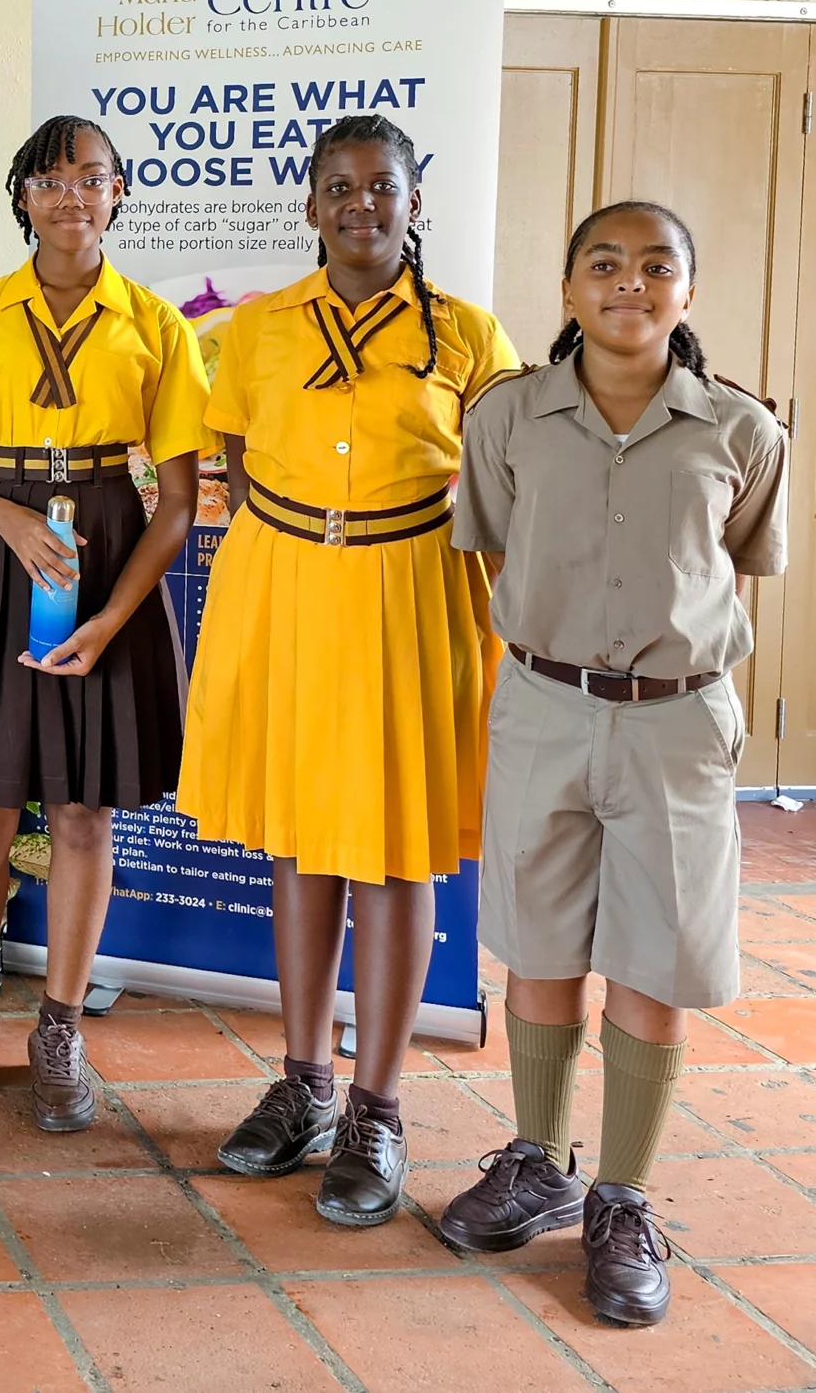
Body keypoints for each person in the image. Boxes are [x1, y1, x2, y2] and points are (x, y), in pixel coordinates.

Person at [439, 202, 784, 1327]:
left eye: (654, 265)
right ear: (567, 288)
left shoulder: (742, 430)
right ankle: (538, 1160)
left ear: (687, 291)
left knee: (655, 957)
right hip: (543, 705)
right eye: (604, 263)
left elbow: (735, 567)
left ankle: (623, 1199)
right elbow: (495, 545)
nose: (628, 282)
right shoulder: (507, 417)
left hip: (675, 725)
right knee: (539, 942)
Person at [177, 114, 522, 1228]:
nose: (360, 204)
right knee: (300, 838)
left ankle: (378, 1107)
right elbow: (235, 457)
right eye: (339, 186)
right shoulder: (260, 327)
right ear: (310, 204)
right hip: (285, 588)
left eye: (382, 185)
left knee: (395, 845)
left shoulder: (468, 334)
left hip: (413, 589)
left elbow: (507, 475)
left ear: (415, 202)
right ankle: (304, 1083)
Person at [0, 116, 207, 1127]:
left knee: (81, 813)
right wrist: (10, 521)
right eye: (50, 178)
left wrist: (114, 618)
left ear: (119, 194)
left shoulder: (156, 325)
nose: (72, 194)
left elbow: (177, 501)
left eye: (92, 177)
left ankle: (62, 1025)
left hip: (108, 553)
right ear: (22, 196)